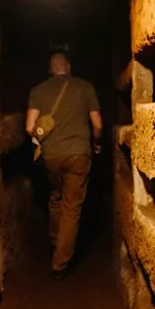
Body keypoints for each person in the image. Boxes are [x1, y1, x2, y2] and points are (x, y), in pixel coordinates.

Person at [26, 52, 103, 280]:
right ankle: (60, 263)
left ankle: (54, 240)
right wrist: (96, 143)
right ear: (69, 67)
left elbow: (30, 127)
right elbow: (97, 124)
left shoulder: (38, 91)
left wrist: (45, 140)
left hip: (52, 156)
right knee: (72, 207)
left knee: (56, 196)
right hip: (79, 154)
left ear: (50, 70)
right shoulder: (86, 88)